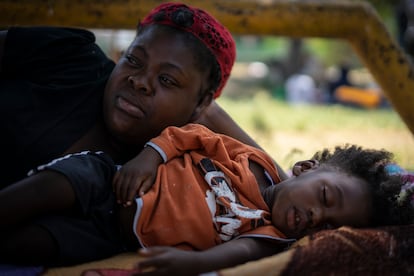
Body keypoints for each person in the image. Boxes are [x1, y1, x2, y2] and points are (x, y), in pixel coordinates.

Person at [1, 123, 412, 276]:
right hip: (111, 180)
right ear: (304, 169)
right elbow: (190, 134)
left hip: (113, 235)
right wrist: (149, 157)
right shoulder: (252, 159)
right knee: (45, 191)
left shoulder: (270, 234)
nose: (314, 216)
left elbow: (237, 254)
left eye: (326, 224)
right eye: (325, 196)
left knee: (33, 244)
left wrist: (194, 263)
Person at [0, 2, 287, 188]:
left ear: (201, 104)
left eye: (166, 79)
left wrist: (284, 180)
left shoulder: (153, 180)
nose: (139, 82)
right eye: (134, 60)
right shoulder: (71, 59)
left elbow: (276, 190)